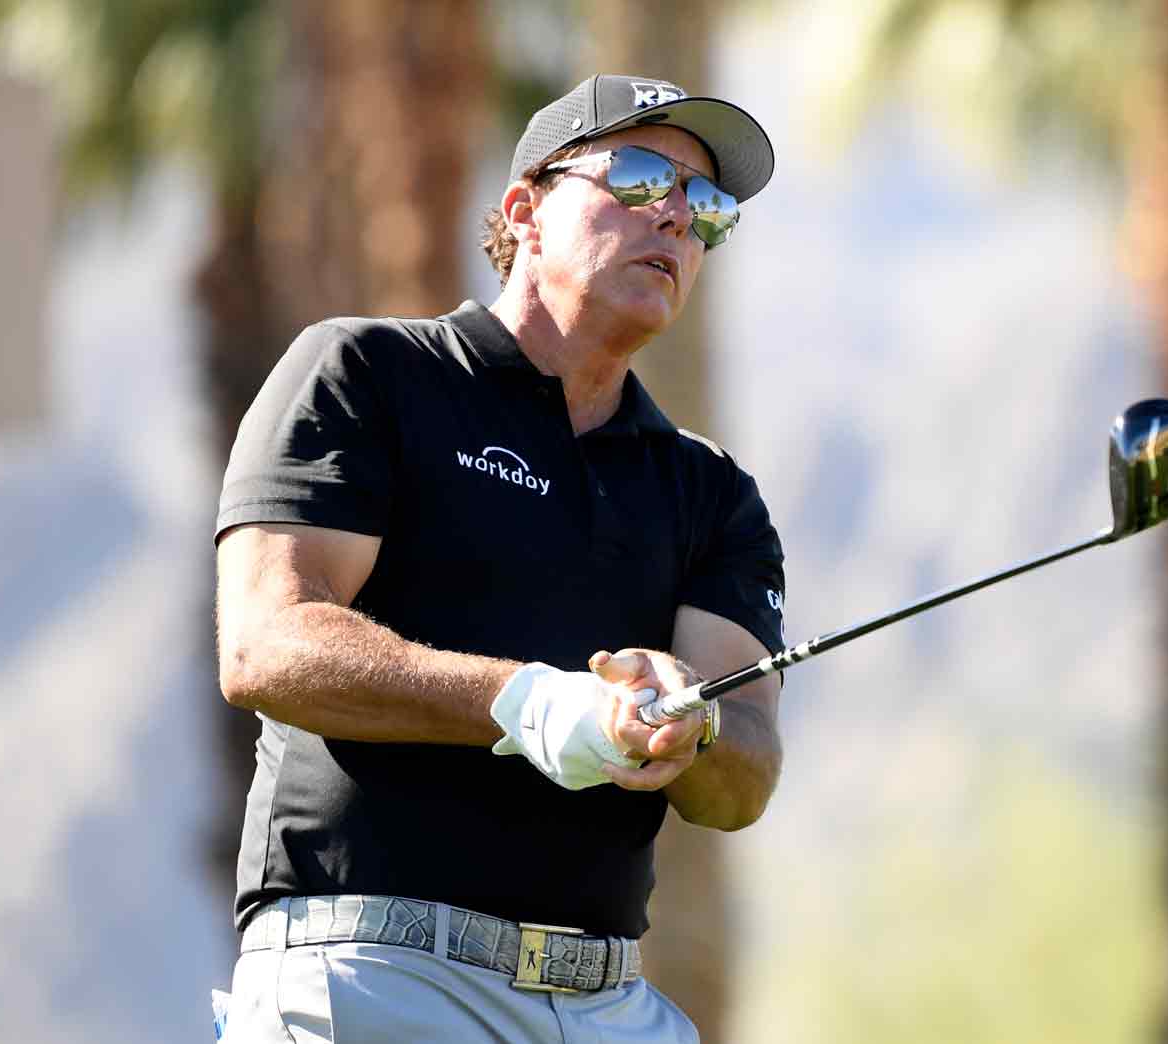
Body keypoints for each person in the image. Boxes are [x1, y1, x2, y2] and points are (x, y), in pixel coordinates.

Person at [210, 74, 785, 1043]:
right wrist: (526, 702)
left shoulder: (709, 491)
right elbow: (264, 646)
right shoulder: (369, 375)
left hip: (608, 1002)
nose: (678, 219)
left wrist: (689, 728)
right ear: (524, 209)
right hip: (371, 974)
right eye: (643, 179)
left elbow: (746, 769)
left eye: (707, 207)